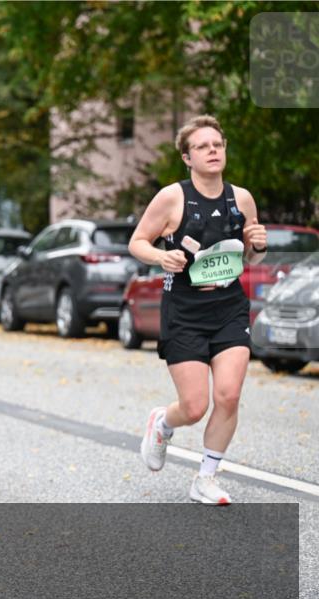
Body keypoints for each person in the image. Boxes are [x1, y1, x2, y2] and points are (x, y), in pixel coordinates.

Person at [129, 115, 268, 505]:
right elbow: (137, 241)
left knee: (228, 395)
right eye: (203, 146)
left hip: (229, 308)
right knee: (194, 406)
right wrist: (161, 256)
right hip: (184, 312)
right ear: (187, 157)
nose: (213, 151)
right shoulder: (173, 197)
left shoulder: (241, 199)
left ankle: (206, 478)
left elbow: (250, 260)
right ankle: (163, 423)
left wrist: (257, 243)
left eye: (218, 144)